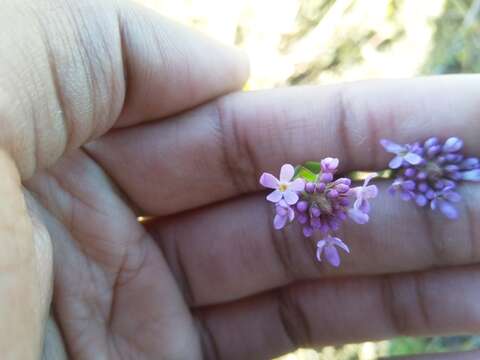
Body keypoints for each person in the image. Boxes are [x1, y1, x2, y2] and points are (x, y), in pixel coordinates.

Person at [1, 1, 479, 359]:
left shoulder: (314, 189)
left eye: (287, 189)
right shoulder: (293, 186)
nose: (285, 189)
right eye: (285, 188)